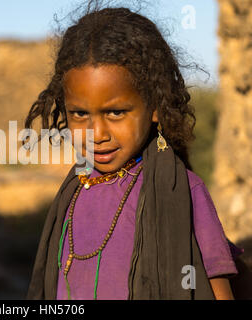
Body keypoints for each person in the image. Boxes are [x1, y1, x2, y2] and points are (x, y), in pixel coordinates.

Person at [23, 6, 245, 300]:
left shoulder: (183, 192)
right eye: (79, 114)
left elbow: (217, 291)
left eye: (115, 112)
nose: (97, 134)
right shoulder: (71, 195)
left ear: (154, 106)